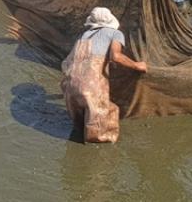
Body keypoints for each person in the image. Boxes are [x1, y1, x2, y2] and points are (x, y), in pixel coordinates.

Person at [60, 7, 148, 143]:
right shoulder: (115, 33)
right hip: (91, 86)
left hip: (70, 88)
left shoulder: (83, 36)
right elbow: (116, 56)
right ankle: (97, 157)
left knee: (80, 126)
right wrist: (137, 65)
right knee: (103, 127)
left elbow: (66, 64)